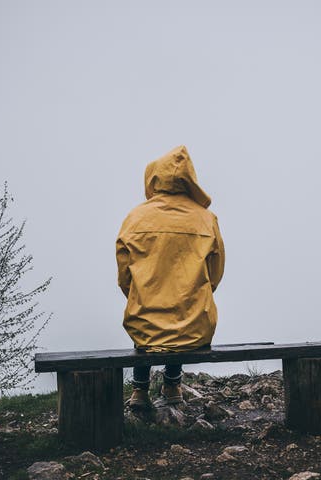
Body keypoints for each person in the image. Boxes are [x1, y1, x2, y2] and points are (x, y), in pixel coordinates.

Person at [116, 145, 225, 409]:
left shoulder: (135, 218)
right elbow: (215, 272)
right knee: (184, 310)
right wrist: (195, 292)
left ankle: (140, 392)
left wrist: (141, 294)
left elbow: (124, 276)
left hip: (144, 324)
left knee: (146, 318)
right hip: (194, 327)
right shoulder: (206, 219)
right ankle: (172, 385)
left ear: (153, 177)